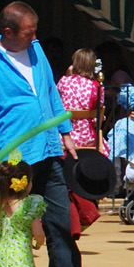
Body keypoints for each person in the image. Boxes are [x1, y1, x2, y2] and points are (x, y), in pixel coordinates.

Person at [0, 2, 90, 267]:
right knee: (16, 226)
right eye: (28, 32)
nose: (35, 36)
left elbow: (51, 92)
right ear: (7, 32)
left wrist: (65, 132)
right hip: (15, 159)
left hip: (49, 148)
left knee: (61, 222)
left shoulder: (37, 51)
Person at [57, 47, 106, 235]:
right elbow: (97, 118)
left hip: (66, 135)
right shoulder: (95, 87)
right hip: (86, 137)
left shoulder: (63, 82)